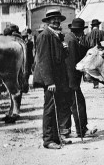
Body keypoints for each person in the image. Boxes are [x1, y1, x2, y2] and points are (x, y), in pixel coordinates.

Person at [33, 9, 69, 150]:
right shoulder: (44, 36)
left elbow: (59, 58)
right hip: (51, 81)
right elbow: (43, 60)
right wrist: (49, 82)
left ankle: (56, 138)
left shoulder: (57, 36)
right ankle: (48, 140)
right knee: (49, 109)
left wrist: (64, 49)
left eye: (58, 19)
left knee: (55, 108)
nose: (56, 21)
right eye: (53, 19)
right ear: (47, 21)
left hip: (58, 79)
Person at [61, 18, 96, 139]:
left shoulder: (71, 38)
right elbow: (71, 63)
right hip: (71, 79)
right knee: (78, 104)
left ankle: (65, 130)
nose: (83, 34)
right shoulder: (71, 41)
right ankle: (81, 130)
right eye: (82, 31)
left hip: (68, 80)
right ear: (79, 31)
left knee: (68, 104)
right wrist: (74, 82)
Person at [85, 19, 104, 89]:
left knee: (93, 68)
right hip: (100, 53)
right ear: (98, 25)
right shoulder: (102, 32)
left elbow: (86, 44)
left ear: (92, 26)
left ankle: (95, 84)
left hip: (91, 54)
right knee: (102, 68)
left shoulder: (88, 34)